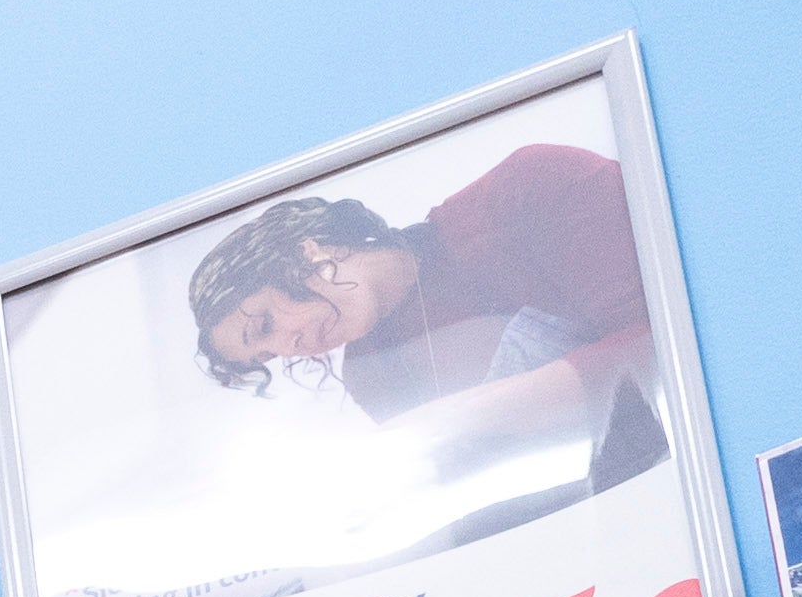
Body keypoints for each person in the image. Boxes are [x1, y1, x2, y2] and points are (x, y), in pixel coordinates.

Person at [181, 145, 664, 489]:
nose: (290, 347)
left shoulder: (531, 186)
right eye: (268, 354)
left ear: (302, 253)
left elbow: (670, 344)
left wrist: (456, 418)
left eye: (265, 324)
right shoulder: (373, 372)